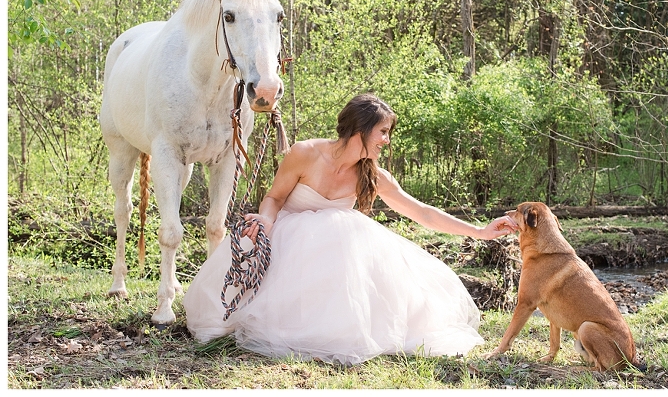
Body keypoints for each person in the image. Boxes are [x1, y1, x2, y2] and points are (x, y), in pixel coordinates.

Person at [183, 93, 513, 365]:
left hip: (337, 256)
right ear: (360, 130)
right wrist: (265, 225)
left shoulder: (373, 175)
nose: (386, 140)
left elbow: (422, 212)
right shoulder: (305, 153)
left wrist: (480, 231)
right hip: (285, 241)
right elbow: (274, 197)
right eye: (383, 132)